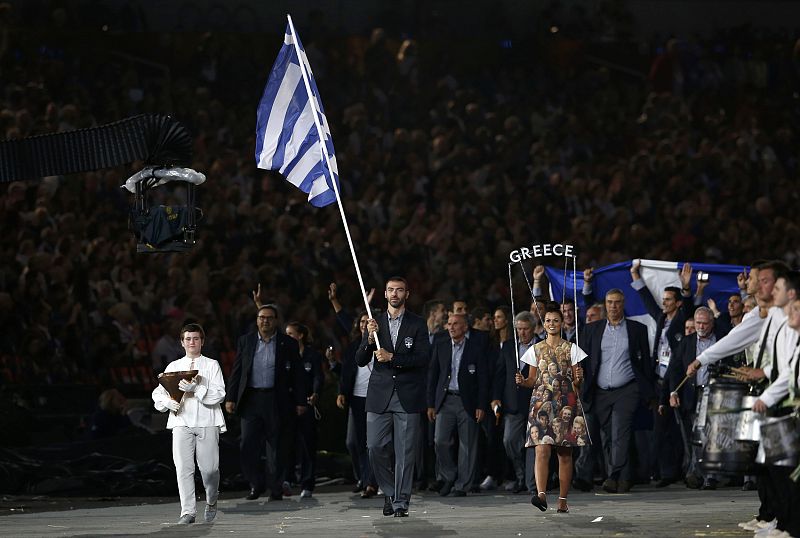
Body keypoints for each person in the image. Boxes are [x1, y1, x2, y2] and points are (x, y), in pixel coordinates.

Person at [356, 276, 430, 517]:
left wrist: (393, 358)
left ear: (407, 294)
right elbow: (360, 359)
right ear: (385, 294)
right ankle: (389, 491)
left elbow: (423, 358)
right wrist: (369, 339)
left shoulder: (418, 323)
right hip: (379, 395)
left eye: (399, 290)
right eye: (390, 290)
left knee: (405, 454)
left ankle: (400, 502)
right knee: (374, 447)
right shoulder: (374, 322)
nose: (395, 294)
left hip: (408, 396)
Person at [579, 288, 655, 494]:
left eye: (617, 302)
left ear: (623, 304)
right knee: (610, 436)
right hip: (600, 392)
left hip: (627, 390)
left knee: (620, 431)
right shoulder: (592, 329)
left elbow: (645, 364)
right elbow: (584, 361)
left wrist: (649, 393)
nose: (613, 306)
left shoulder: (637, 329)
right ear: (605, 304)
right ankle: (624, 478)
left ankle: (613, 476)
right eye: (610, 302)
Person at [225, 304, 303, 501]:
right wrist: (231, 397)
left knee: (276, 447)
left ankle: (276, 488)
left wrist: (301, 400)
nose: (265, 321)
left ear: (276, 320)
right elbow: (237, 370)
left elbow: (297, 374)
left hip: (277, 399)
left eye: (269, 317)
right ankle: (255, 484)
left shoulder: (288, 343)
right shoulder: (246, 341)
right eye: (261, 317)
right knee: (248, 444)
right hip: (251, 399)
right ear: (257, 320)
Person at [151, 323, 226, 525]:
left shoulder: (211, 365)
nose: (192, 342)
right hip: (181, 420)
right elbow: (158, 392)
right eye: (188, 339)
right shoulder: (174, 366)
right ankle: (188, 511)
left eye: (196, 338)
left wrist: (196, 389)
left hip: (207, 420)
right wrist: (167, 402)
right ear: (182, 342)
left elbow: (219, 394)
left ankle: (212, 499)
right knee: (183, 467)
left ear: (202, 341)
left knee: (209, 469)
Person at [515, 303, 586, 513]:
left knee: (564, 453)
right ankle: (541, 494)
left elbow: (577, 382)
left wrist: (579, 378)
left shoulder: (572, 348)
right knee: (541, 449)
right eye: (548, 321)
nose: (551, 324)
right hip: (541, 404)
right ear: (543, 324)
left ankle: (563, 500)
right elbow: (532, 380)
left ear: (561, 323)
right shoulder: (535, 349)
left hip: (566, 403)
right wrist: (522, 381)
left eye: (555, 320)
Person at [427, 312, 488, 496]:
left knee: (467, 445)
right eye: (449, 323)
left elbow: (483, 379)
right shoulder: (441, 345)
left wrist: (481, 405)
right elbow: (432, 375)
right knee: (440, 441)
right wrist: (431, 404)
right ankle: (449, 475)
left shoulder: (476, 348)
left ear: (465, 327)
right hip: (445, 401)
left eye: (455, 324)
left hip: (467, 402)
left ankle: (462, 485)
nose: (451, 327)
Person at [492, 311, 537, 494]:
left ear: (533, 328)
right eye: (519, 329)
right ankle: (521, 475)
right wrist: (496, 397)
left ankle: (532, 484)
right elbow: (500, 374)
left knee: (534, 445)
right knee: (509, 440)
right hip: (513, 403)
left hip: (536, 403)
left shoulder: (541, 346)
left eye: (525, 329)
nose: (522, 333)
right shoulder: (509, 346)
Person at [337, 311, 378, 497]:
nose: (363, 324)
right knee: (355, 442)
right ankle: (364, 477)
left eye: (367, 321)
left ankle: (371, 482)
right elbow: (346, 372)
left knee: (373, 442)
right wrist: (341, 392)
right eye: (361, 321)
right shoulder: (353, 346)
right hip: (356, 398)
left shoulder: (382, 344)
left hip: (376, 399)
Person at [286, 321, 323, 499]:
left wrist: (315, 393)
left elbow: (318, 376)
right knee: (287, 443)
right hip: (288, 404)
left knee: (308, 445)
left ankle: (307, 483)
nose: (287, 337)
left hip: (307, 404)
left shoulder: (312, 355)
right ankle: (287, 479)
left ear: (300, 336)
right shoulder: (284, 355)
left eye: (291, 334)